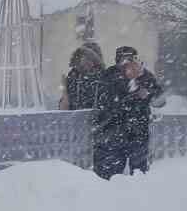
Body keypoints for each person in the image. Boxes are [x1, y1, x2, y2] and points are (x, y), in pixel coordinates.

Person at [92, 45, 164, 179]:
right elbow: (107, 103)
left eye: (131, 59)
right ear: (118, 60)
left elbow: (159, 98)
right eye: (124, 59)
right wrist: (133, 94)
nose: (127, 63)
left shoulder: (144, 75)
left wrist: (147, 93)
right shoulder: (109, 75)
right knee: (109, 177)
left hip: (137, 133)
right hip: (112, 133)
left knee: (139, 175)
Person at [59, 44, 103, 111]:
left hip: (96, 118)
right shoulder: (73, 77)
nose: (87, 61)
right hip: (77, 118)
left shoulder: (103, 77)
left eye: (90, 58)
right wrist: (64, 90)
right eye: (84, 57)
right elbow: (64, 110)